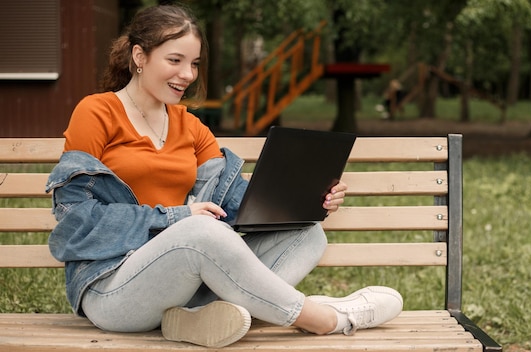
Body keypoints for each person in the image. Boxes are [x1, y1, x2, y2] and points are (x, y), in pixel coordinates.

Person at [46, 4, 403, 348]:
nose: (187, 74)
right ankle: (328, 318)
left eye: (194, 64)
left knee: (308, 235)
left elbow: (239, 208)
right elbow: (76, 220)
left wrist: (310, 199)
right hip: (112, 287)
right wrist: (177, 217)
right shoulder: (97, 112)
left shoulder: (190, 126)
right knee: (200, 230)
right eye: (175, 60)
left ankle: (197, 319)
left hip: (184, 290)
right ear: (139, 57)